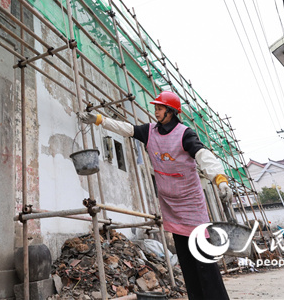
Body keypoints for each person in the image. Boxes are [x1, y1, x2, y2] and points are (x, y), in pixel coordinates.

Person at [78, 90, 231, 300]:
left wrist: (219, 179)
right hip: (171, 207)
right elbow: (127, 129)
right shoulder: (150, 132)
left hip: (191, 207)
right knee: (186, 262)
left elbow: (203, 155)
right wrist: (99, 119)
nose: (156, 112)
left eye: (159, 108)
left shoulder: (184, 134)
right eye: (156, 108)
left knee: (203, 260)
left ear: (171, 111)